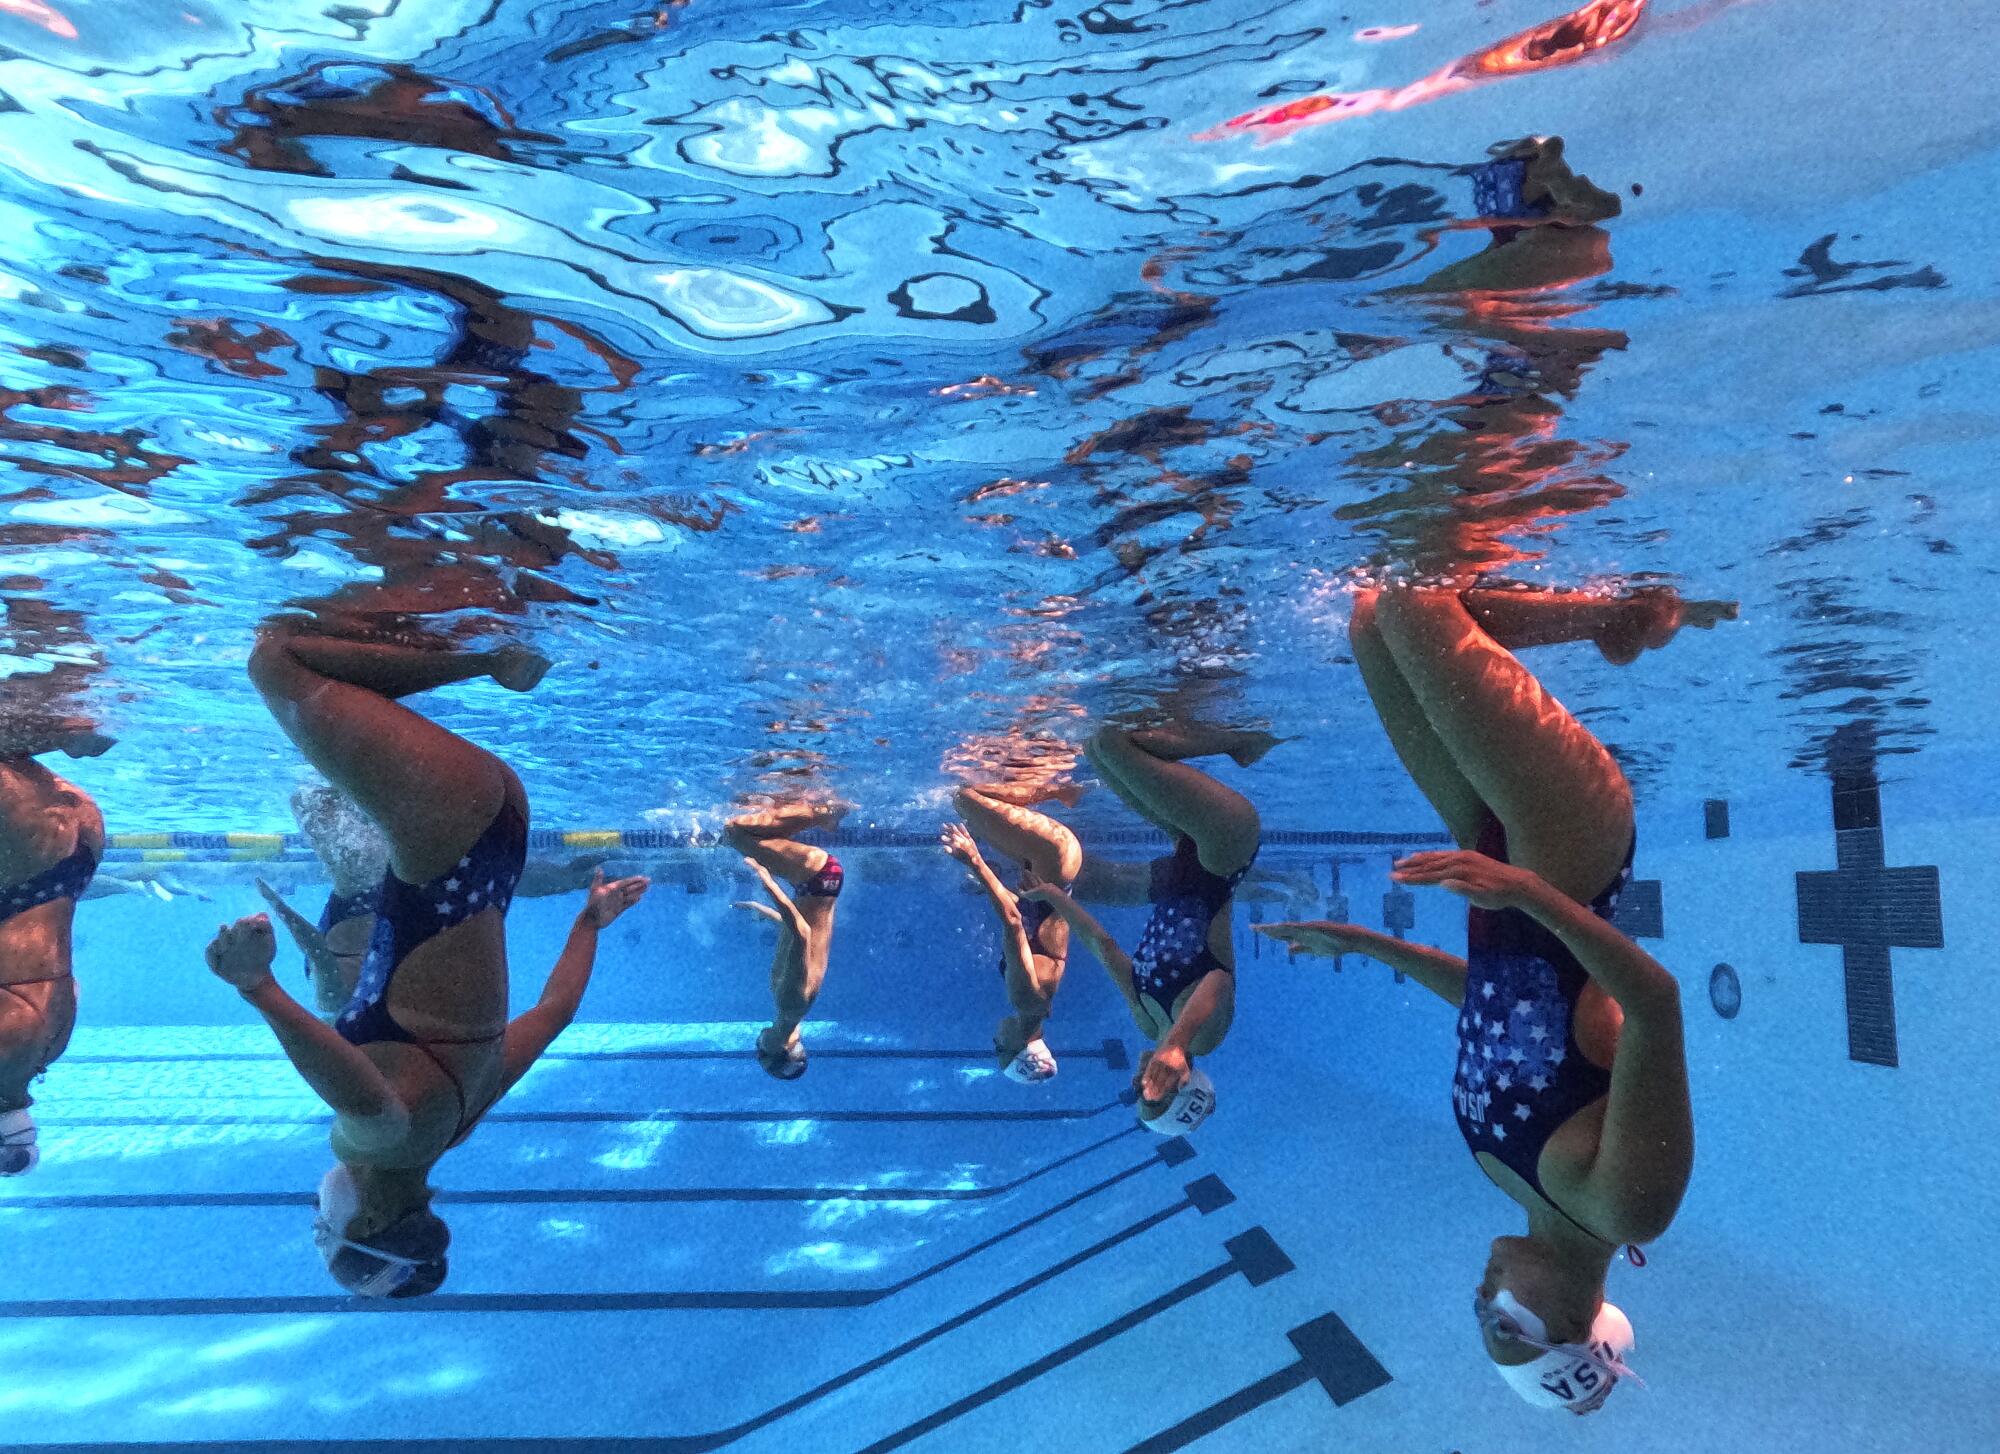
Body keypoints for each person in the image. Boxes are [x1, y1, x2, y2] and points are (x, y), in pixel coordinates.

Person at [1257, 584, 1728, 1412]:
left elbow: (1490, 1013)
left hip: (1499, 860)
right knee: (1414, 600)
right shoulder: (1628, 1205)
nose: (1484, 1295)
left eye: (1479, 1314)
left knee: (1373, 620)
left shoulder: (1512, 1182)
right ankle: (1614, 620)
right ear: (1581, 1325)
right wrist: (1532, 894)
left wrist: (1361, 943)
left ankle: (1614, 621)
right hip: (1571, 857)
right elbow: (1655, 1002)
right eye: (1502, 1320)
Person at [213, 620, 649, 1296]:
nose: (320, 1215)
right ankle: (486, 660)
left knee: (333, 652)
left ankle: (412, 613)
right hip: (446, 825)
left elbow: (556, 1012)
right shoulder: (385, 1138)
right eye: (333, 1227)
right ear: (380, 1216)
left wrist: (590, 922)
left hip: (498, 839)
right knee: (278, 661)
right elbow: (358, 1091)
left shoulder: (458, 1122)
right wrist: (257, 987)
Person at [1023, 724, 1265, 1134]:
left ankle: (1225, 740)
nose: (1138, 1084)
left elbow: (1104, 947)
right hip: (1224, 847)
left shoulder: (1146, 1021)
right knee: (1114, 745)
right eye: (1149, 1094)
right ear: (1182, 1084)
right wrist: (1178, 1042)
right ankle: (1239, 743)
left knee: (1096, 748)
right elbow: (1218, 980)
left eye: (1137, 1093)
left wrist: (1055, 896)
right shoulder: (1205, 1037)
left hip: (1185, 845)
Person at [0, 719, 108, 1176]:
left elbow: (70, 985)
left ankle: (64, 729)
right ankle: (63, 733)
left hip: (72, 863)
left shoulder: (50, 1050)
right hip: (23, 866)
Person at [941, 782, 1084, 1082]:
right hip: (1050, 854)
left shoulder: (1041, 1006)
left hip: (1054, 861)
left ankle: (1054, 788)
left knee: (974, 818)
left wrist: (988, 884)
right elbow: (1013, 921)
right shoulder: (1025, 1001)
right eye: (998, 1047)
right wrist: (974, 860)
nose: (995, 1040)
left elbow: (1034, 915)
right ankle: (1059, 790)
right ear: (1017, 1046)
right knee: (963, 797)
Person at [723, 801, 844, 1079]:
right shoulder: (790, 1004)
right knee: (735, 833)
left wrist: (761, 910)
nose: (757, 1046)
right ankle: (824, 813)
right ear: (778, 1048)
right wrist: (768, 883)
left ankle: (790, 804)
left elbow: (795, 933)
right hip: (816, 877)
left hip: (818, 883)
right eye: (761, 1053)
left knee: (753, 833)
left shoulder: (796, 1013)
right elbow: (802, 932)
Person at [257, 777, 392, 1020]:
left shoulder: (364, 1008)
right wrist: (280, 909)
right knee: (307, 801)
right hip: (359, 896)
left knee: (325, 806)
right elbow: (314, 947)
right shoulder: (331, 1001)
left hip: (369, 900)